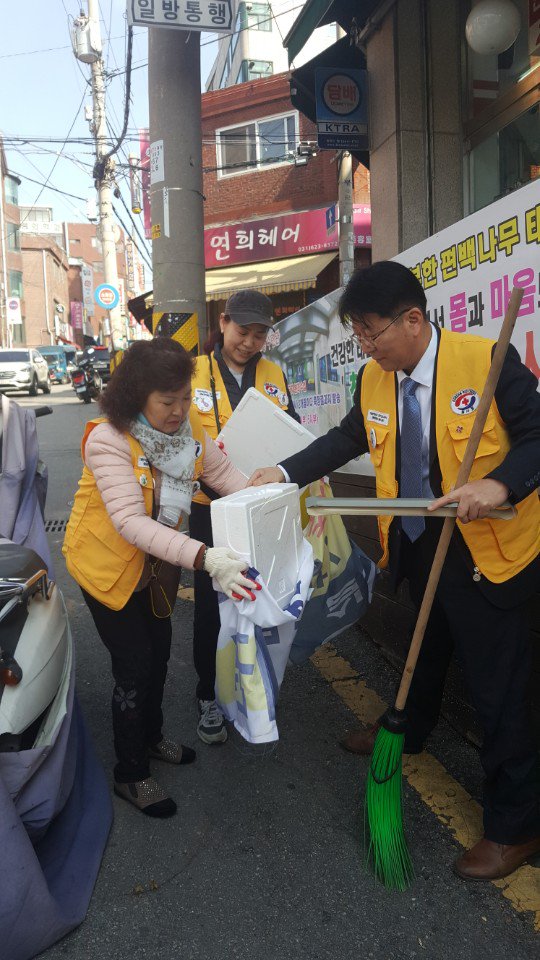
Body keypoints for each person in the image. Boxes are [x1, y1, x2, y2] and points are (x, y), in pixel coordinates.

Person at [248, 260, 540, 881]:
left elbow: (539, 437)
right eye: (357, 334)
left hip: (487, 552)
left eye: (372, 332)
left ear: (414, 320)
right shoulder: (375, 381)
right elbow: (348, 439)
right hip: (416, 542)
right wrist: (283, 471)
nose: (365, 346)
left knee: (499, 691)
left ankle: (515, 826)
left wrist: (498, 481)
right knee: (425, 649)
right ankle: (406, 730)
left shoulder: (485, 362)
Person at [63, 338, 256, 818]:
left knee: (160, 656)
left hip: (155, 569)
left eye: (185, 399)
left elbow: (228, 479)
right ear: (136, 399)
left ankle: (150, 739)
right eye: (166, 402)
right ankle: (130, 773)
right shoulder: (109, 439)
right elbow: (129, 522)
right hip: (106, 568)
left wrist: (273, 492)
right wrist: (205, 558)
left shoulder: (189, 434)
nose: (178, 411)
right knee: (134, 666)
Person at [189, 289, 300, 745]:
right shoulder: (192, 371)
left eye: (259, 335)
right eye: (242, 331)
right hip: (207, 509)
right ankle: (208, 694)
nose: (249, 342)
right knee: (211, 607)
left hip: (259, 507)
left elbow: (288, 429)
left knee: (257, 598)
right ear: (223, 322)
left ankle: (252, 685)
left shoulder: (273, 373)